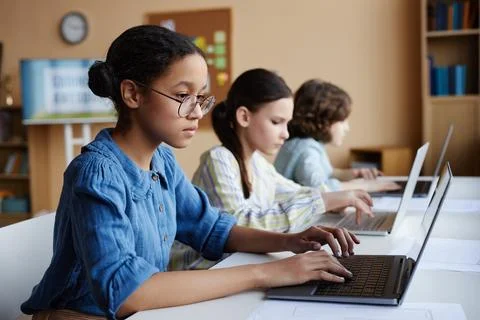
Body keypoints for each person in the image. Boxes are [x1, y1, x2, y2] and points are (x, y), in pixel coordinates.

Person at [21, 26, 361, 320]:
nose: (197, 111)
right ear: (132, 93)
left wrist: (291, 242)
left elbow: (212, 228)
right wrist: (269, 272)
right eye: (183, 96)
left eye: (201, 97)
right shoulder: (97, 173)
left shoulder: (162, 161)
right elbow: (126, 292)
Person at [169, 69, 374, 271]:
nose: (285, 134)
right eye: (277, 122)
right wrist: (325, 201)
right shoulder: (219, 159)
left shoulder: (258, 164)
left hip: (235, 265)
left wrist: (337, 198)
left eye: (287, 124)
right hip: (201, 269)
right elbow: (239, 226)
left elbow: (295, 191)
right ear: (244, 117)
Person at [274, 79, 400, 192]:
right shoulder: (306, 150)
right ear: (322, 122)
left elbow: (325, 173)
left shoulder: (310, 144)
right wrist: (364, 186)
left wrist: (352, 174)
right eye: (342, 121)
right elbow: (319, 189)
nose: (347, 128)